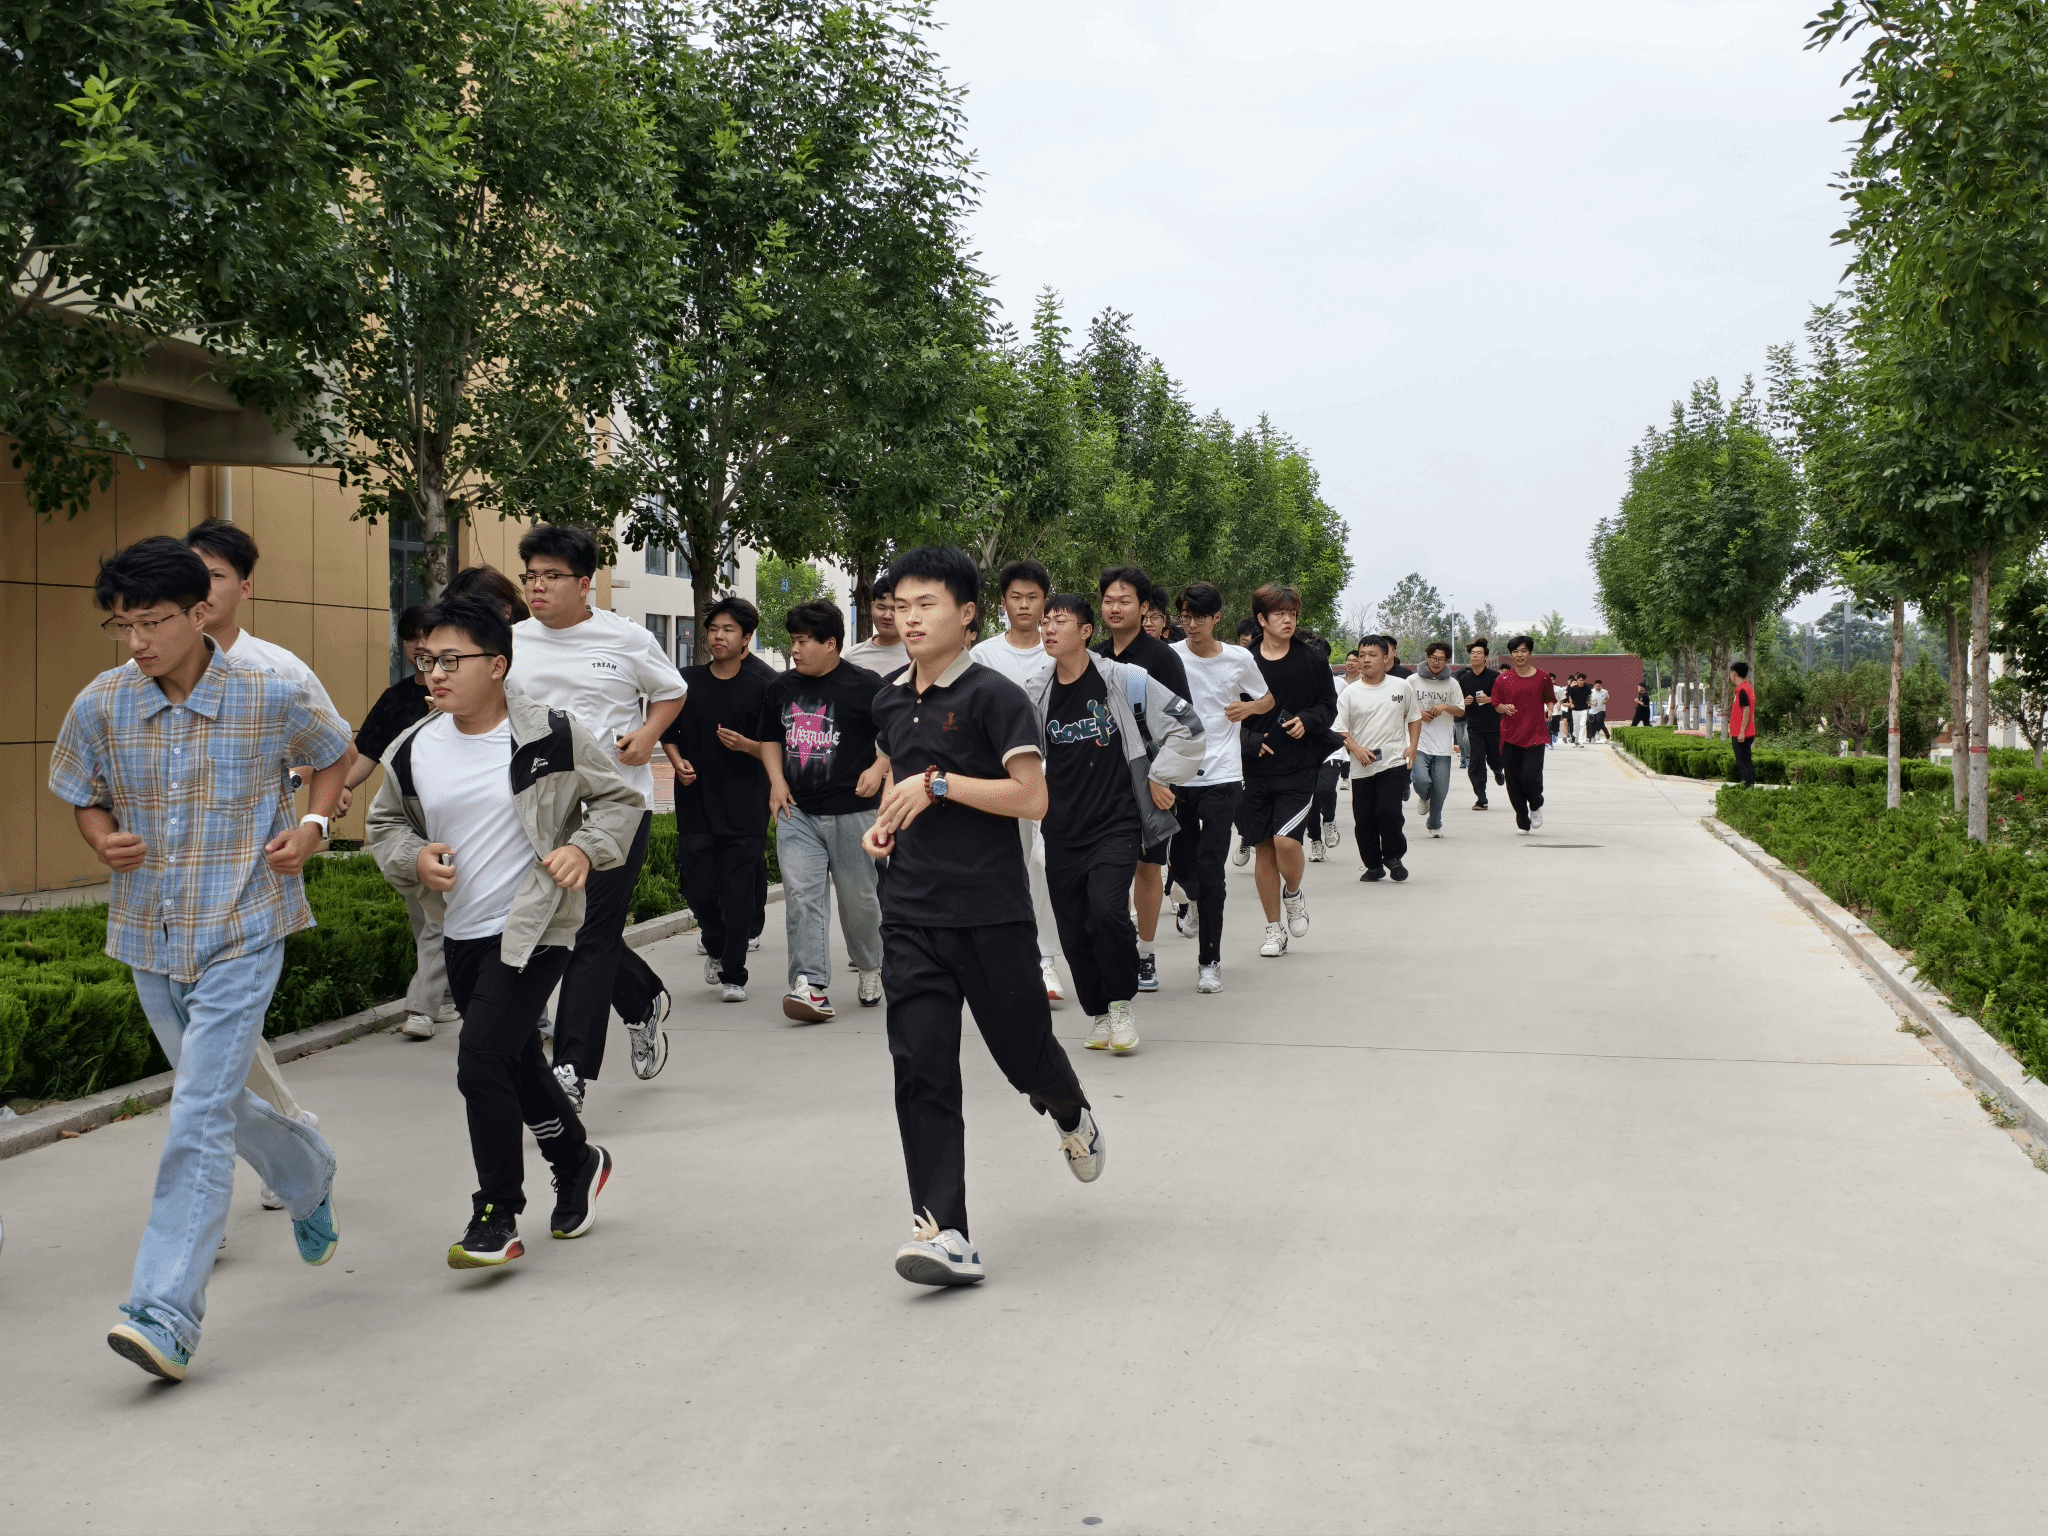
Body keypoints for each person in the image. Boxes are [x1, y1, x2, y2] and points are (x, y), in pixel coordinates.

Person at [52, 537, 352, 1382]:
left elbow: (333, 755)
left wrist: (313, 827)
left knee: (196, 1113)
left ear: (199, 612)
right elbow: (84, 794)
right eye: (123, 625)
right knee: (212, 1099)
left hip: (245, 925)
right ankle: (308, 1170)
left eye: (152, 622)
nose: (137, 640)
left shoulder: (272, 690)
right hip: (149, 934)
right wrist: (102, 839)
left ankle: (164, 1312)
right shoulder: (101, 703)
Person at [366, 592, 641, 1270]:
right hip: (458, 930)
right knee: (514, 1057)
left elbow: (619, 799)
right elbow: (386, 826)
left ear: (497, 664)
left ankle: (497, 1211)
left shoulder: (552, 735)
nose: (435, 673)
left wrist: (583, 848)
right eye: (427, 660)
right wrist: (414, 858)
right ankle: (576, 1160)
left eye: (451, 660)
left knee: (481, 1058)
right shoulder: (413, 748)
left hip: (534, 924)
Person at [861, 545, 1103, 1288]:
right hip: (909, 913)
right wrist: (884, 826)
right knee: (921, 1068)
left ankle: (1069, 1110)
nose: (909, 618)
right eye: (900, 605)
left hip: (990, 914)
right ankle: (945, 1232)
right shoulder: (888, 699)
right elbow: (898, 784)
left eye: (925, 604)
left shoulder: (997, 697)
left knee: (1023, 1055)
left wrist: (940, 785)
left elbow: (1031, 798)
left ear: (966, 614)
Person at [182, 519, 346, 1200]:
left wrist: (312, 823)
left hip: (252, 877)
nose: (201, 589)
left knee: (214, 1035)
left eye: (215, 576)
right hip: (170, 884)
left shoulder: (277, 671)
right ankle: (290, 1134)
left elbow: (334, 751)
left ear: (244, 588)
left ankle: (204, 1194)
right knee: (209, 1033)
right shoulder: (143, 670)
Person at [512, 525, 686, 1109]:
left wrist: (649, 735)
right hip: (541, 814)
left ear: (584, 584)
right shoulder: (509, 644)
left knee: (590, 933)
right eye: (530, 576)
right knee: (564, 929)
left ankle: (570, 1071)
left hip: (615, 807)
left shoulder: (627, 638)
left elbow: (671, 691)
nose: (537, 587)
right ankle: (642, 998)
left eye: (550, 576)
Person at [1026, 594, 1202, 1050]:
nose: (1048, 629)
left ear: (1086, 631)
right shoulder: (1035, 690)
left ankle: (1121, 1003)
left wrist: (1161, 775)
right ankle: (1100, 1013)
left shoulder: (1124, 680)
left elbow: (1187, 725)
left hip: (1116, 823)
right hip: (1060, 828)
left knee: (1107, 913)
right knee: (1074, 930)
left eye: (1059, 621)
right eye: (1045, 622)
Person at [760, 600, 889, 1020]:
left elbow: (897, 733)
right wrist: (777, 782)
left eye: (803, 641)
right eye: (793, 640)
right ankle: (809, 984)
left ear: (830, 643)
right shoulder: (780, 688)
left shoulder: (866, 686)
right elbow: (769, 738)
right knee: (802, 897)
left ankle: (870, 965)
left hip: (854, 812)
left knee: (859, 901)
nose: (794, 649)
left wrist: (879, 767)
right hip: (798, 812)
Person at [661, 596, 778, 1004]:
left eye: (728, 630)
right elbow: (668, 733)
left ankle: (734, 974)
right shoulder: (686, 681)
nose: (718, 636)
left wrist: (747, 745)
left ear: (746, 638)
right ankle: (715, 942)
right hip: (695, 800)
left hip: (745, 805)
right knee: (698, 890)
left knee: (738, 892)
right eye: (713, 629)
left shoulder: (764, 686)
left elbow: (777, 748)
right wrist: (676, 761)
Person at [349, 606, 453, 1040]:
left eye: (429, 637)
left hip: (456, 812)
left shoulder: (465, 695)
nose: (421, 646)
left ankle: (423, 1006)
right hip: (409, 812)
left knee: (439, 917)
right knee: (425, 913)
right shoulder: (396, 699)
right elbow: (368, 751)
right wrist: (343, 787)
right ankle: (445, 995)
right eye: (413, 638)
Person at [1167, 581, 1272, 993]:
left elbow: (1266, 699)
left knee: (1212, 869)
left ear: (1216, 618)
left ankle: (1209, 962)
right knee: (1182, 867)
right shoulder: (1170, 656)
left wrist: (1248, 707)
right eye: (1185, 617)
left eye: (1199, 617)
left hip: (1222, 775)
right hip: (1177, 774)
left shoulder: (1238, 658)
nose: (1191, 625)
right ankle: (1190, 898)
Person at [970, 558, 1065, 1004]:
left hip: (1054, 775)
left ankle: (1045, 957)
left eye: (1033, 597)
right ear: (1002, 602)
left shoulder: (1059, 650)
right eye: (1016, 597)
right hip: (1001, 778)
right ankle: (1010, 954)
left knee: (1044, 862)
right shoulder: (983, 656)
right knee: (1011, 865)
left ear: (1045, 602)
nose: (1024, 605)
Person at [1094, 566, 1191, 992]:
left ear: (1144, 607)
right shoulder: (1092, 656)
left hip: (1151, 779)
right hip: (1100, 781)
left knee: (1147, 866)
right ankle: (1117, 947)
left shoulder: (1161, 658)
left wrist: (1162, 777)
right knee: (1108, 867)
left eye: (1125, 600)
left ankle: (1146, 954)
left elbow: (1183, 723)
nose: (1115, 608)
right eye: (1108, 600)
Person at [1239, 584, 1337, 957]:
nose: (1288, 620)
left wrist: (1308, 720)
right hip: (1255, 768)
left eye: (1292, 614)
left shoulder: (1312, 659)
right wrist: (1247, 740)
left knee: (1285, 842)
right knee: (1264, 849)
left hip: (1299, 765)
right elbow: (1225, 710)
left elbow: (1328, 705)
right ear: (1262, 619)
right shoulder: (1242, 661)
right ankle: (1273, 930)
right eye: (1280, 614)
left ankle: (1293, 893)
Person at [1335, 635, 1421, 881]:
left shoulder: (1401, 686)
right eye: (1362, 655)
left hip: (1393, 762)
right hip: (1362, 766)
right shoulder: (1350, 693)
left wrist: (1413, 747)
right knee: (1364, 819)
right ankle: (1373, 865)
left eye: (1372, 655)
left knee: (1389, 811)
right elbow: (1340, 729)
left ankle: (1393, 857)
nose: (1366, 660)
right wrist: (1356, 749)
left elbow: (1414, 717)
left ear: (1386, 658)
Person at [1491, 636, 1557, 832]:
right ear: (1511, 654)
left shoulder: (1543, 677)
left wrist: (1550, 709)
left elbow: (1550, 698)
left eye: (1523, 651)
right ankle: (1521, 815)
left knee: (1531, 777)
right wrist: (1504, 707)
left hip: (1535, 735)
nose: (1519, 655)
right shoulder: (1503, 679)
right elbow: (1496, 704)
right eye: (1515, 651)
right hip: (1510, 737)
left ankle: (1535, 805)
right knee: (1513, 781)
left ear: (1530, 653)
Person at [1407, 641, 1465, 836]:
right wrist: (1419, 714)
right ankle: (1424, 797)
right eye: (1433, 658)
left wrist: (1445, 707)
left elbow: (1461, 710)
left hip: (1442, 744)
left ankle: (1434, 823)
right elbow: (1400, 709)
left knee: (1440, 789)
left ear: (1447, 661)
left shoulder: (1452, 683)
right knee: (1421, 780)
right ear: (1427, 657)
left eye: (1442, 659)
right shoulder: (1412, 681)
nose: (1437, 662)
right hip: (1418, 741)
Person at [1455, 639, 1505, 810]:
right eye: (1472, 653)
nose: (1475, 656)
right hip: (1474, 726)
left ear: (1485, 658)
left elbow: (1504, 699)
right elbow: (1458, 702)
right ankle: (1481, 797)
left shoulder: (1495, 677)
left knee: (1495, 759)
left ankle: (1498, 770)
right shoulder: (1464, 679)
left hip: (1494, 725)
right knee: (1476, 761)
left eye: (1479, 653)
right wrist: (1464, 702)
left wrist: (1490, 699)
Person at [844, 572, 908, 676]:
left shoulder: (920, 656)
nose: (887, 616)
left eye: (895, 609)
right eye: (881, 608)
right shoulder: (853, 657)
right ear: (872, 607)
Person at [1729, 661, 1758, 787]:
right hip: (1741, 732)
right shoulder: (1745, 688)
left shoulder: (1743, 689)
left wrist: (1741, 731)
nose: (1730, 675)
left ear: (1734, 674)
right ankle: (1745, 787)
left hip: (1743, 734)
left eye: (1730, 672)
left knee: (1744, 763)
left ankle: (1748, 788)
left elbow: (1746, 710)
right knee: (1742, 763)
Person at [1566, 673, 1592, 748]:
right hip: (1575, 709)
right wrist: (1571, 704)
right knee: (1576, 725)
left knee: (1582, 724)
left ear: (1584, 680)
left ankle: (1581, 742)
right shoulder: (1573, 689)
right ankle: (1576, 740)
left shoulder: (1587, 688)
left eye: (1582, 680)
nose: (1581, 682)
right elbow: (1570, 696)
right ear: (1577, 680)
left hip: (1584, 709)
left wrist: (1589, 703)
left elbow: (1589, 697)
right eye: (1579, 680)